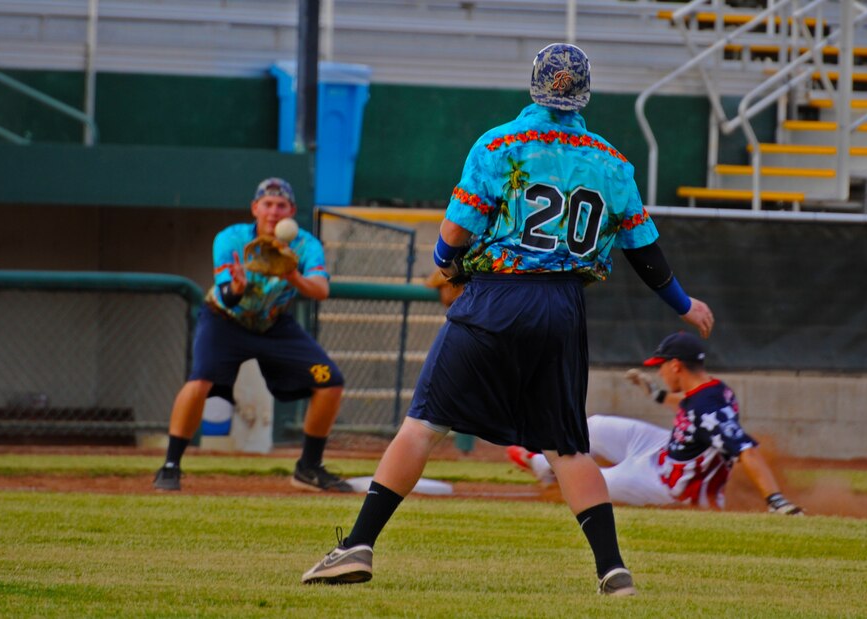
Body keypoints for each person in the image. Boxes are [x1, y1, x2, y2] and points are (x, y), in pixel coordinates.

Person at [300, 43, 714, 596]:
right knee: (568, 447)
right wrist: (684, 304)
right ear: (585, 91)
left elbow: (455, 231)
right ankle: (613, 571)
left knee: (423, 424)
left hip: (496, 297)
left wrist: (445, 264)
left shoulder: (499, 144)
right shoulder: (614, 162)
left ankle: (357, 545)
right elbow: (645, 251)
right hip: (564, 309)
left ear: (534, 85)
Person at [153, 178, 352, 493]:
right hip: (225, 319)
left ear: (292, 211)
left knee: (331, 381)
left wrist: (292, 275)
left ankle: (308, 468)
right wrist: (238, 287)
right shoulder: (230, 239)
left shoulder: (305, 245)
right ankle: (170, 465)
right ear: (255, 208)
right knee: (200, 380)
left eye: (281, 205)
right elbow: (228, 296)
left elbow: (322, 290)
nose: (273, 211)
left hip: (273, 322)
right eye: (267, 204)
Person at [508, 332, 803, 514]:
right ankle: (544, 464)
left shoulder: (708, 408)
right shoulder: (714, 389)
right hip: (664, 453)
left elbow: (746, 450)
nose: (660, 372)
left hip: (671, 487)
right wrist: (657, 394)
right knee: (595, 426)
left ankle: (539, 464)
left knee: (594, 481)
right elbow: (690, 406)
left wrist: (775, 499)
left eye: (661, 366)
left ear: (676, 365)